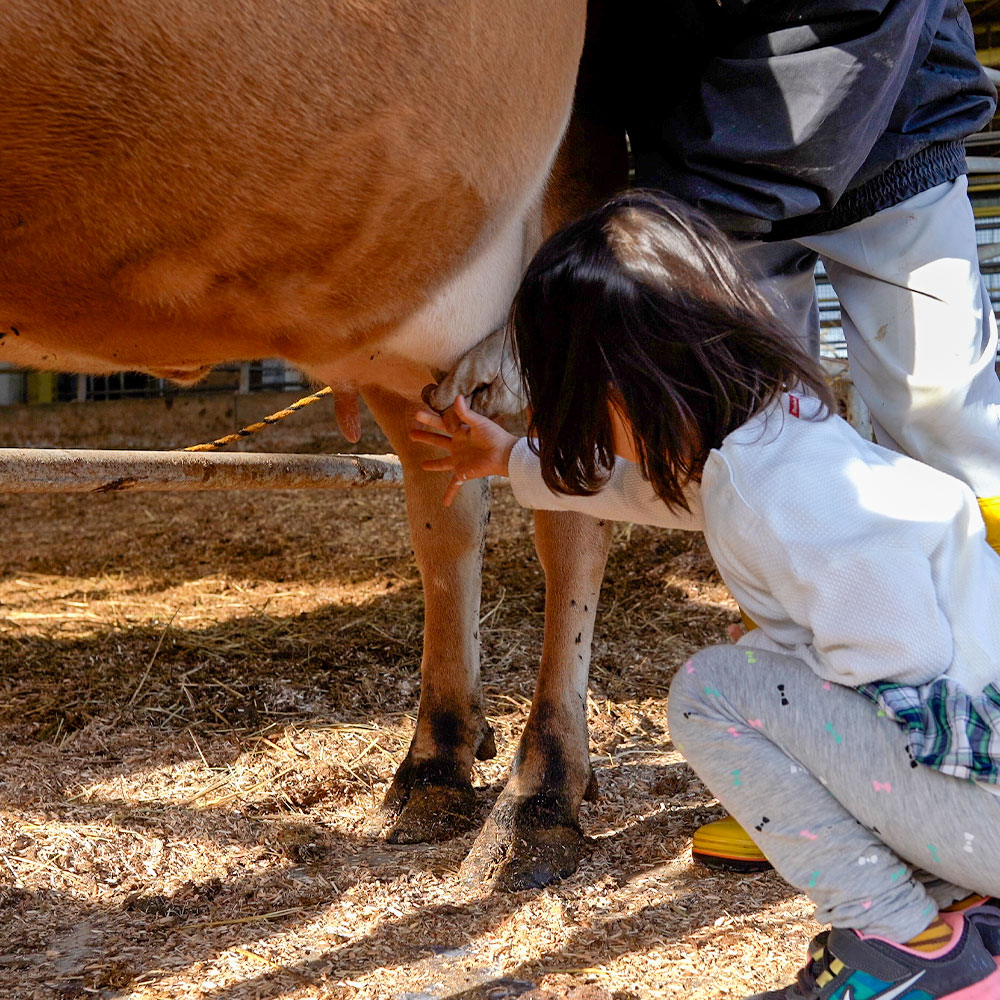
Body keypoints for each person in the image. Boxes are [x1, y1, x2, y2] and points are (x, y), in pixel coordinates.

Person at [411, 191, 1000, 1000]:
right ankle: (961, 909)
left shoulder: (781, 494)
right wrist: (510, 460)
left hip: (979, 793)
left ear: (620, 390)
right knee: (766, 684)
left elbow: (908, 658)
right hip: (977, 787)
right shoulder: (773, 435)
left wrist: (779, 657)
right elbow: (660, 494)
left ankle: (907, 941)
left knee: (710, 695)